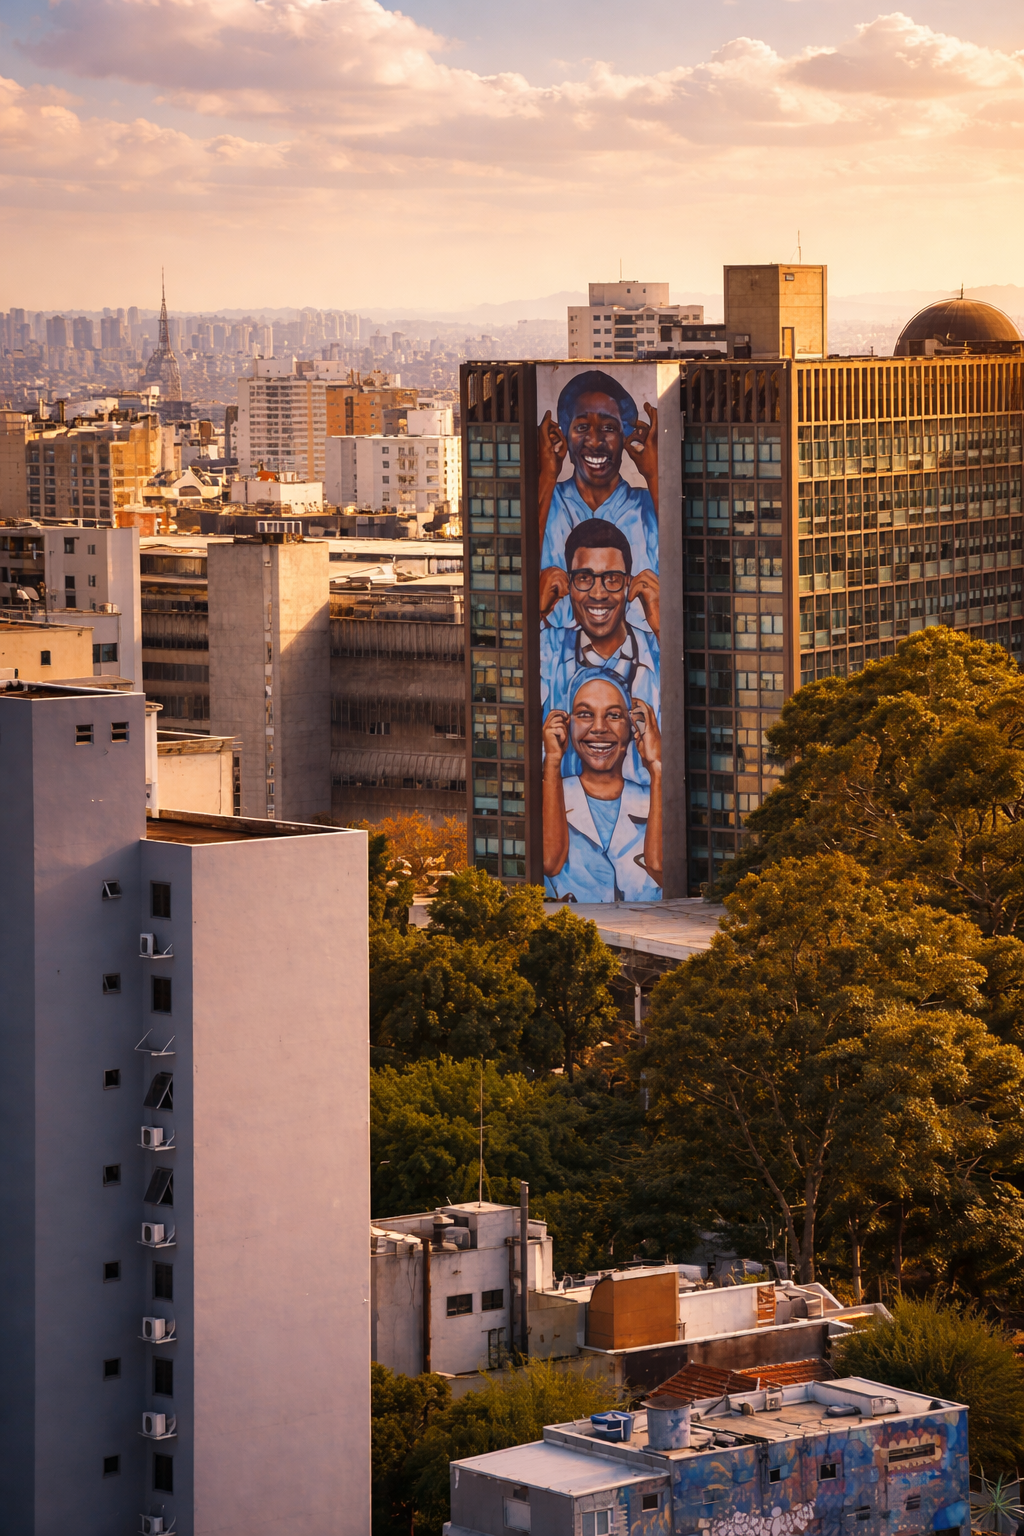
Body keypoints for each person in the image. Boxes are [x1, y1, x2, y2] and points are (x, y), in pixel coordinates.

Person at [538, 369, 658, 630]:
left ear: (626, 437)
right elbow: (516, 570)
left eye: (608, 428)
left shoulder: (649, 505)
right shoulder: (547, 501)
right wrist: (546, 476)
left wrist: (656, 474)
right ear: (564, 436)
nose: (594, 441)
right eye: (582, 427)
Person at [542, 669, 662, 903]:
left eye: (614, 715)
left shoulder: (653, 799)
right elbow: (549, 863)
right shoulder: (551, 793)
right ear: (568, 724)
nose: (599, 727)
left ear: (632, 728)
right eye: (585, 714)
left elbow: (660, 868)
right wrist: (553, 761)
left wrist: (656, 766)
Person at [541, 518, 660, 749]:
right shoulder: (549, 644)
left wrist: (661, 625)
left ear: (629, 584)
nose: (598, 593)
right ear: (568, 585)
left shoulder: (657, 648)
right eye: (584, 578)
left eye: (612, 579)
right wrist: (537, 610)